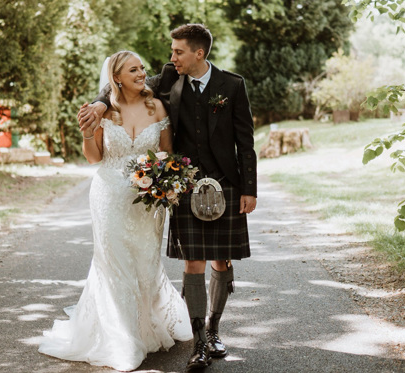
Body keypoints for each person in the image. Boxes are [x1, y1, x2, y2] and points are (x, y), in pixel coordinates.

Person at [79, 24, 257, 371]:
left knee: (222, 261)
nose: (171, 57)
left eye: (178, 52)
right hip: (185, 184)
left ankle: (216, 330)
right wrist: (100, 107)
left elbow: (245, 141)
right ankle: (200, 341)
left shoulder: (232, 85)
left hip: (227, 183)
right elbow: (118, 88)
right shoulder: (168, 79)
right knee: (194, 262)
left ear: (198, 54)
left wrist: (249, 189)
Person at [39, 50, 193, 372]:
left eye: (142, 68)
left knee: (145, 261)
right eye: (132, 70)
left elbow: (166, 153)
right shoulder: (104, 112)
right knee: (115, 264)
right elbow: (94, 157)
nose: (141, 74)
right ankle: (122, 338)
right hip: (109, 195)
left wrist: (164, 181)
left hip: (149, 199)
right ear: (117, 78)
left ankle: (145, 325)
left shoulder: (157, 106)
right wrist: (86, 132)